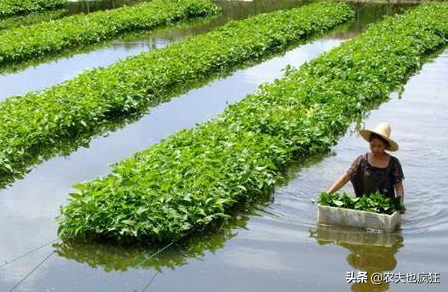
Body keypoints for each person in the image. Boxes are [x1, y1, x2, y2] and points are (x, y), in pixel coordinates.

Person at [326, 122, 405, 206]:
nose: (375, 149)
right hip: (364, 204)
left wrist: (400, 204)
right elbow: (345, 178)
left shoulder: (393, 163)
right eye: (372, 145)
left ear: (385, 146)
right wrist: (327, 194)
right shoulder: (362, 160)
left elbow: (398, 186)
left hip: (385, 206)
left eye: (379, 146)